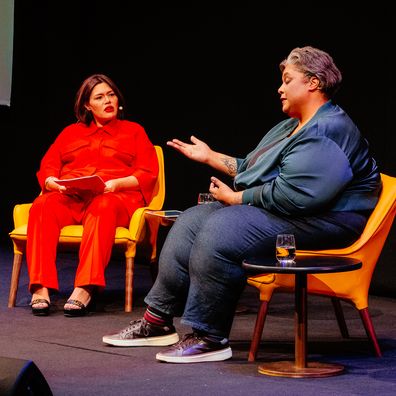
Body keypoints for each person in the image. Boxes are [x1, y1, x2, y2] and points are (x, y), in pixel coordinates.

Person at [102, 46, 381, 363]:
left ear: (313, 83)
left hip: (329, 222)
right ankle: (157, 321)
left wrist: (236, 199)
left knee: (223, 228)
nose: (280, 87)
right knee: (192, 221)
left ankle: (210, 336)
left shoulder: (329, 129)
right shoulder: (293, 125)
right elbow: (252, 167)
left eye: (287, 80)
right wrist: (210, 157)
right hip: (296, 213)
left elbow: (296, 197)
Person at [28, 74, 159, 317]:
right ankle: (40, 287)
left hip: (115, 198)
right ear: (87, 105)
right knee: (42, 205)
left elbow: (148, 172)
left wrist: (117, 184)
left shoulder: (134, 131)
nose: (108, 100)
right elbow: (49, 166)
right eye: (99, 97)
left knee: (103, 206)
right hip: (73, 197)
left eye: (111, 95)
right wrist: (54, 184)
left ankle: (85, 287)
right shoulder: (70, 133)